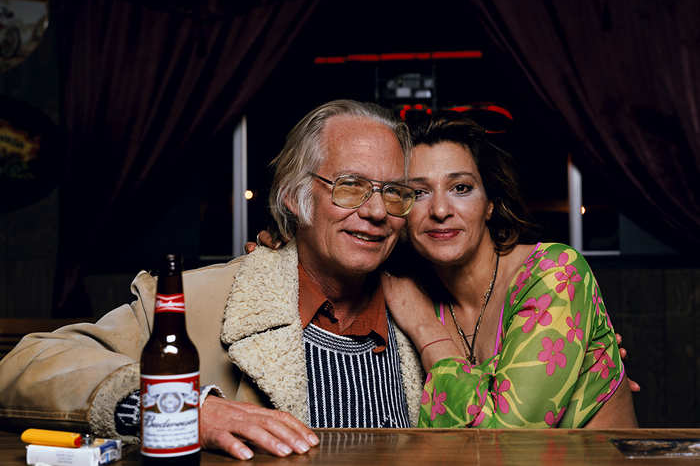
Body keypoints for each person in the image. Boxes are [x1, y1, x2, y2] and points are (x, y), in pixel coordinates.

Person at [0, 100, 425, 460]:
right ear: (295, 196)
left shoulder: (425, 311)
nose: (376, 211)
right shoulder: (196, 300)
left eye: (394, 192)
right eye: (351, 186)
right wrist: (182, 410)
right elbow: (24, 366)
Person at [380, 111, 637, 427]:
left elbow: (509, 440)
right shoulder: (406, 290)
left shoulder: (554, 272)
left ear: (490, 203)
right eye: (419, 192)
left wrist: (428, 332)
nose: (440, 210)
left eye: (460, 187)